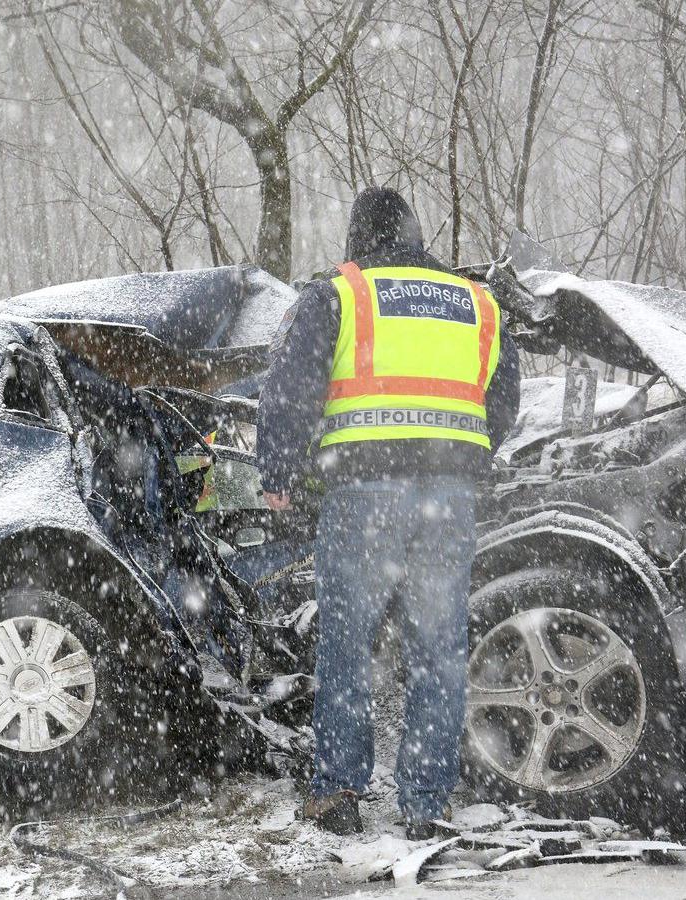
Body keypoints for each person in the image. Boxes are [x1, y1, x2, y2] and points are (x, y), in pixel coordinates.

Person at [257, 187, 521, 839]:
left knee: (348, 646)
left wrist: (280, 473)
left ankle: (340, 792)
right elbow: (505, 392)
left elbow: (290, 388)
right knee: (437, 649)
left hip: (364, 493)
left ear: (357, 236)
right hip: (449, 498)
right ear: (413, 233)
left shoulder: (340, 294)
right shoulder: (475, 302)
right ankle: (427, 802)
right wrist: (466, 452)